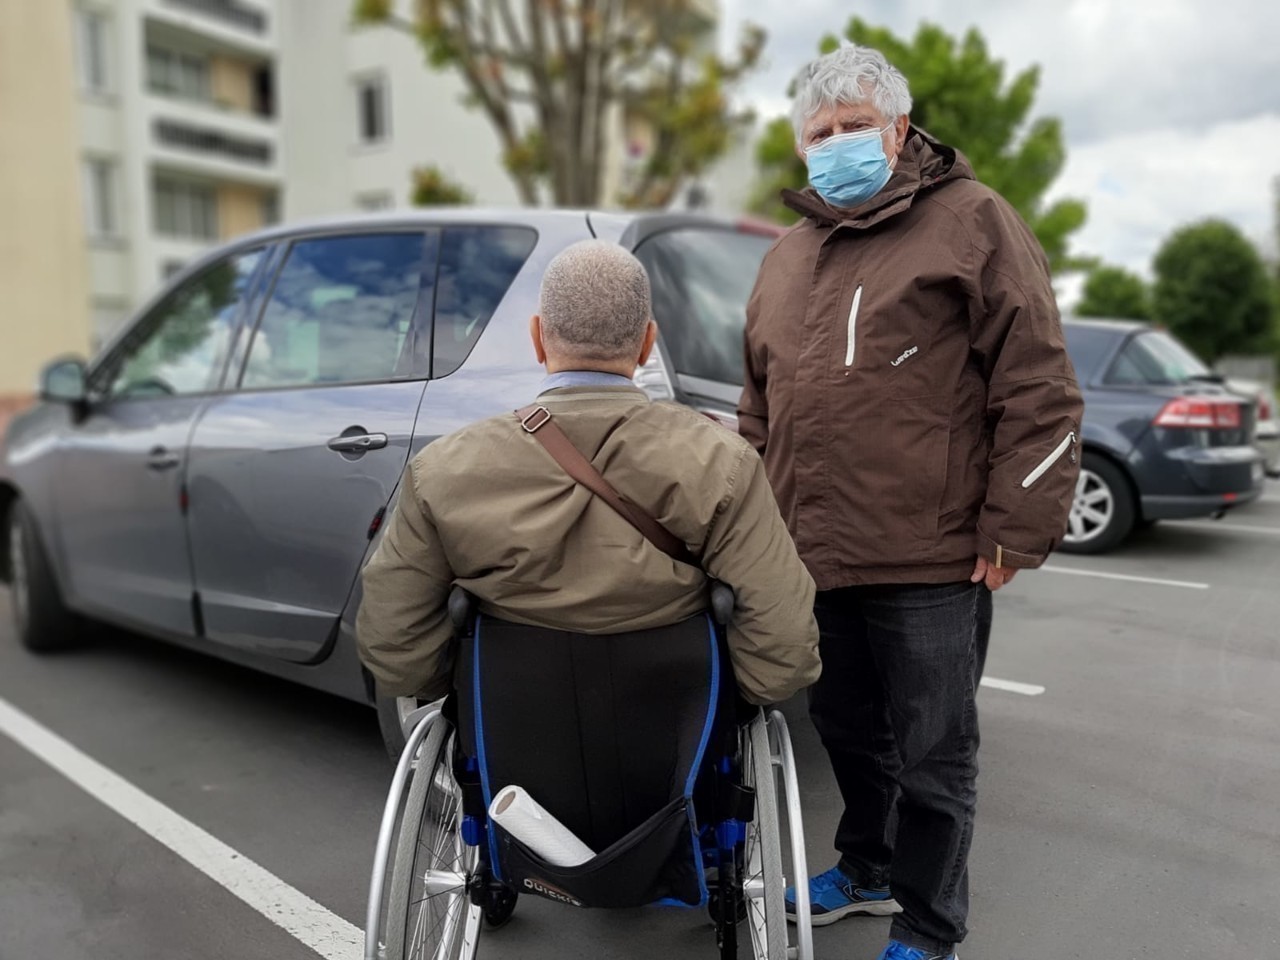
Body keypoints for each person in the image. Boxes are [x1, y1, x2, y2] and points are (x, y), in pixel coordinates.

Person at [738, 44, 1084, 960]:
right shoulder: (789, 257)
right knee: (847, 729)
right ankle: (867, 870)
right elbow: (756, 409)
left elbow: (1039, 385)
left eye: (856, 127)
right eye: (822, 132)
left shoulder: (972, 222)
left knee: (936, 753)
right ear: (801, 145)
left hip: (933, 555)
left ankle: (930, 926)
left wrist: (1015, 524)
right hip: (813, 555)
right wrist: (747, 528)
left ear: (898, 130)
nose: (838, 143)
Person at [357, 239, 821, 718]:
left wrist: (454, 683)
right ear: (646, 342)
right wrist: (744, 696)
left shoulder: (444, 468)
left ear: (537, 339)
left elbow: (394, 638)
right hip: (679, 731)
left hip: (508, 730)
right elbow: (782, 640)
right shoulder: (723, 461)